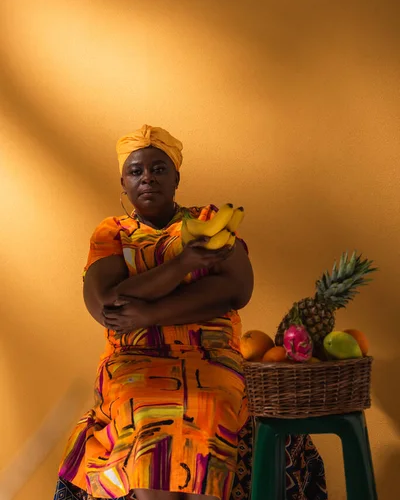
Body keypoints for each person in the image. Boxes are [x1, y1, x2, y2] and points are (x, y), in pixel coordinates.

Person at [54, 125, 327, 500]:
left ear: (177, 177)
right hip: (134, 359)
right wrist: (185, 265)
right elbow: (104, 305)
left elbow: (236, 290)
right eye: (136, 171)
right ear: (123, 180)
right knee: (142, 410)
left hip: (212, 355)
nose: (147, 177)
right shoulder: (112, 232)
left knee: (211, 403)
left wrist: (146, 312)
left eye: (159, 168)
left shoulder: (209, 220)